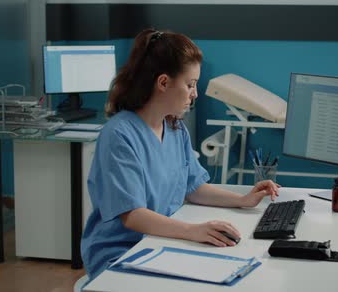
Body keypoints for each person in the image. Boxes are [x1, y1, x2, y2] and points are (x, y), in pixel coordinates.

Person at [80, 28, 280, 281]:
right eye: (190, 84)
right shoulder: (119, 135)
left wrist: (242, 199)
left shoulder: (175, 128)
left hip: (160, 242)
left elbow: (192, 187)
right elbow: (132, 215)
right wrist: (193, 231)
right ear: (163, 82)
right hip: (122, 253)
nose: (195, 93)